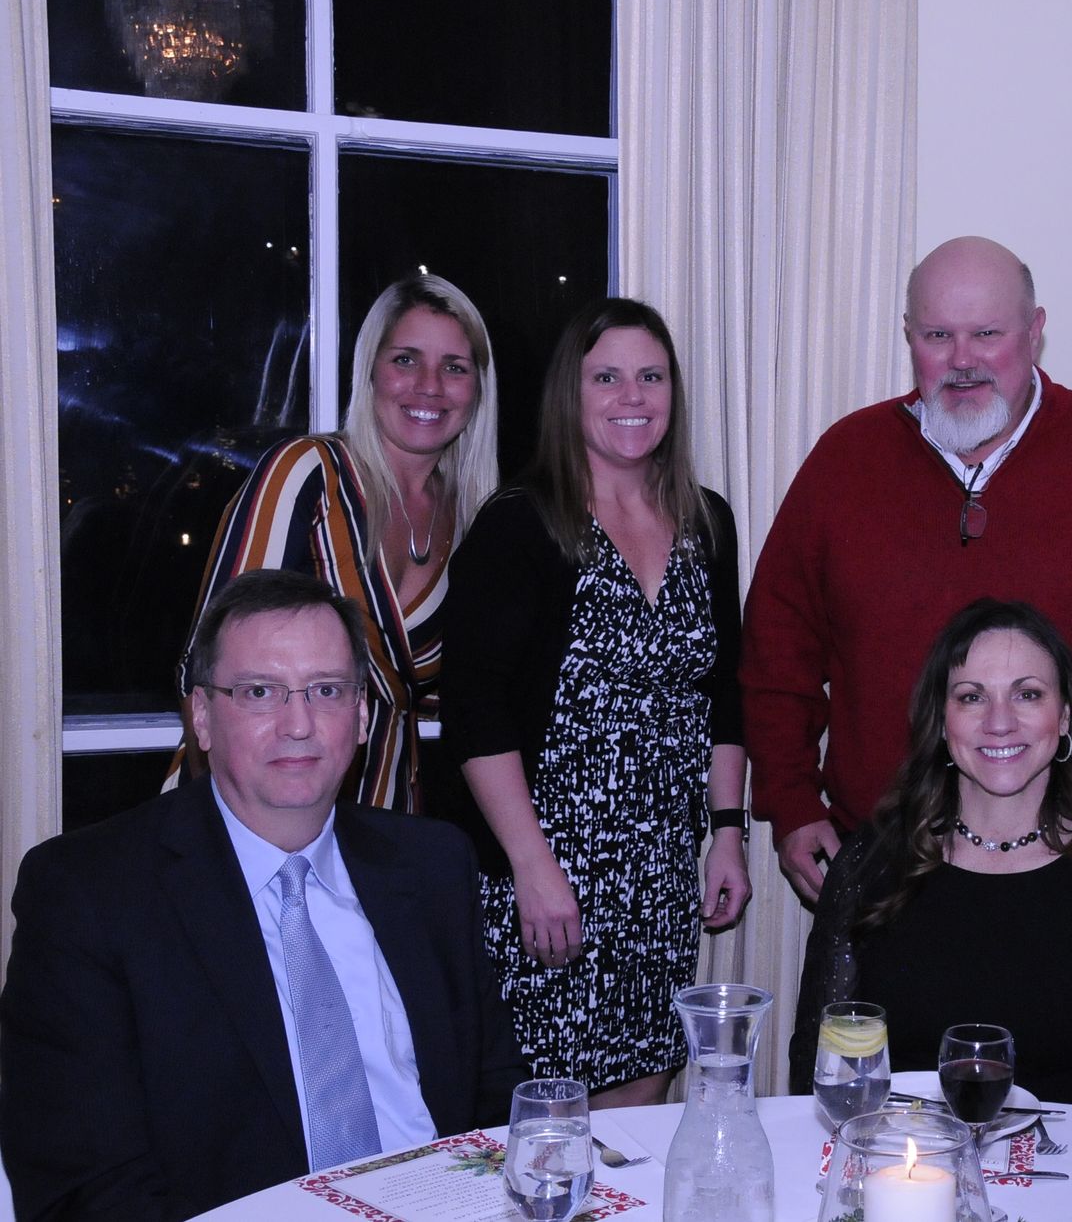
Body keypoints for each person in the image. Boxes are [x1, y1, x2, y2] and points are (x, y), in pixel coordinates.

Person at [0, 571, 527, 1222]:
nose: (298, 724)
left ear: (362, 715)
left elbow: (498, 1107)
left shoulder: (432, 865)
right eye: (259, 692)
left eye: (327, 690)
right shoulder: (90, 895)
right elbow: (84, 1190)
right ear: (201, 716)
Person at [743, 235, 1072, 902]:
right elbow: (776, 655)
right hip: (884, 872)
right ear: (909, 336)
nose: (962, 360)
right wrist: (792, 803)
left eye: (986, 333)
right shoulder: (844, 463)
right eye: (938, 335)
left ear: (1035, 332)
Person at [440, 297, 748, 1109]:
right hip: (551, 871)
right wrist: (532, 866)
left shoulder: (707, 522)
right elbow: (475, 711)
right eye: (606, 378)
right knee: (546, 1114)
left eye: (651, 376)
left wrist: (727, 833)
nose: (632, 396)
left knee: (641, 1103)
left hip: (660, 873)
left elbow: (724, 690)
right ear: (568, 395)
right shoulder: (521, 524)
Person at [790, 598, 1072, 1111]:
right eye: (972, 697)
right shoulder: (870, 864)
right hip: (898, 1151)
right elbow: (820, 1065)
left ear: (1065, 716)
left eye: (1028, 694)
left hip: (1068, 1158)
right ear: (941, 720)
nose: (1000, 722)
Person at [169, 273, 501, 813]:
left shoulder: (475, 522)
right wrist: (241, 835)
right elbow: (205, 675)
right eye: (406, 360)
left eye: (455, 367)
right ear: (370, 370)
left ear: (479, 388)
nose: (430, 385)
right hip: (245, 814)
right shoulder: (307, 474)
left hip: (381, 821)